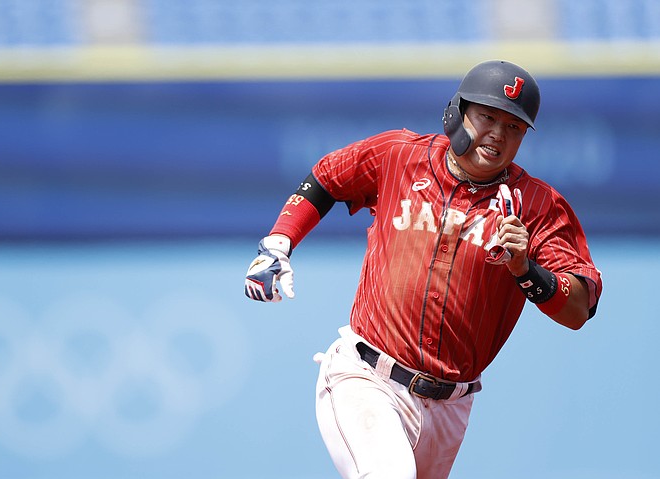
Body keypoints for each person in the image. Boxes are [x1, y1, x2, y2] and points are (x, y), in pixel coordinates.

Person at [243, 60, 603, 479]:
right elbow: (327, 177)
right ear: (457, 112)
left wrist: (526, 270)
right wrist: (279, 241)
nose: (498, 134)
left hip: (451, 409)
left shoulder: (538, 206)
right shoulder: (399, 155)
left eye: (514, 127)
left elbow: (578, 309)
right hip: (368, 376)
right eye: (488, 116)